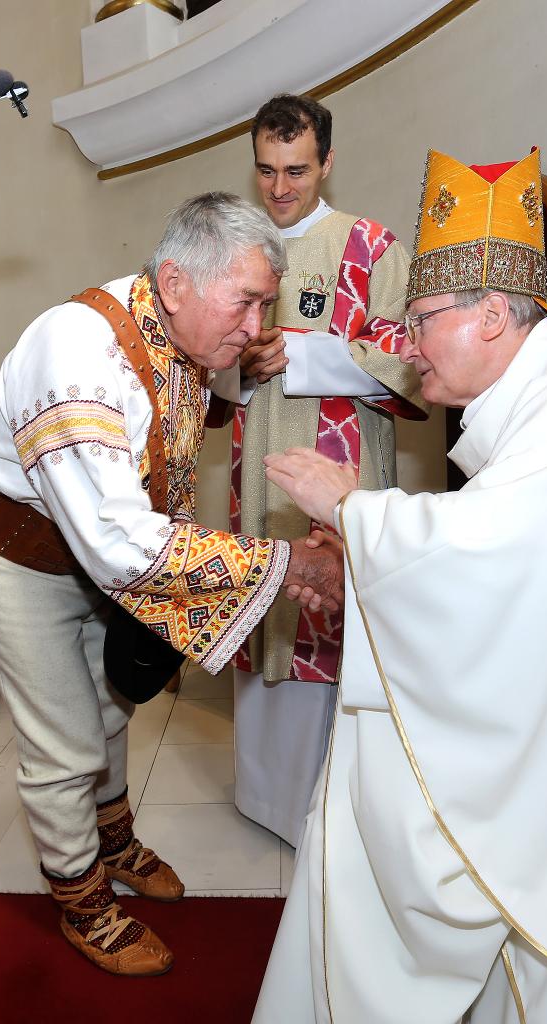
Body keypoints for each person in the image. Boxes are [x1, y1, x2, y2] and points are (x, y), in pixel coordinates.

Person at [253, 149, 547, 1023]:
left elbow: (491, 554)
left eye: (421, 320)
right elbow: (508, 570)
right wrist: (362, 565)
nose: (405, 345)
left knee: (376, 798)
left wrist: (353, 512)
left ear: (493, 315)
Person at [0, 193, 343, 977]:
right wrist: (287, 564)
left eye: (264, 304)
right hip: (19, 552)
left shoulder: (179, 325)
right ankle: (81, 899)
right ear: (174, 282)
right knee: (63, 739)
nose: (256, 326)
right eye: (245, 302)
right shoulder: (74, 356)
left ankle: (114, 838)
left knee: (109, 705)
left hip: (99, 542)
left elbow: (180, 418)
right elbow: (118, 544)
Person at [225, 93, 428, 846]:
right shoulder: (236, 249)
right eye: (267, 171)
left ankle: (333, 813)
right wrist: (237, 368)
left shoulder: (369, 246)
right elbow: (198, 363)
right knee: (266, 604)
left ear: (328, 163)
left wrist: (305, 353)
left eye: (297, 170)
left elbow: (411, 361)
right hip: (256, 472)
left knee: (330, 612)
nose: (280, 188)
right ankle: (264, 798)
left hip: (342, 471)